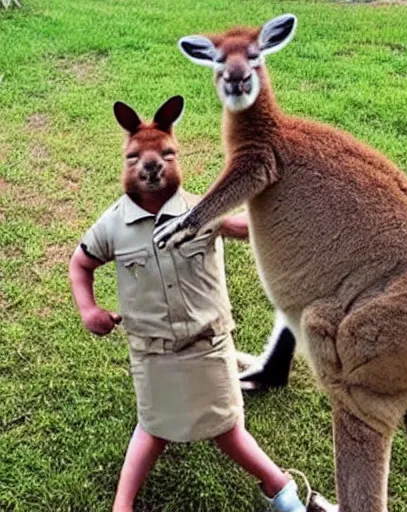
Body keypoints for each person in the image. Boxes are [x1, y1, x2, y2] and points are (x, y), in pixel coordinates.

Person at [69, 96, 308, 512]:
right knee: (154, 427)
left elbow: (244, 227)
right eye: (136, 157)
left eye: (165, 153)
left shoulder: (201, 212)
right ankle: (121, 504)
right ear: (125, 162)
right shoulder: (113, 225)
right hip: (153, 350)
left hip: (207, 344)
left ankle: (278, 485)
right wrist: (89, 309)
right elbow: (81, 263)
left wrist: (285, 215)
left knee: (227, 427)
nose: (151, 164)